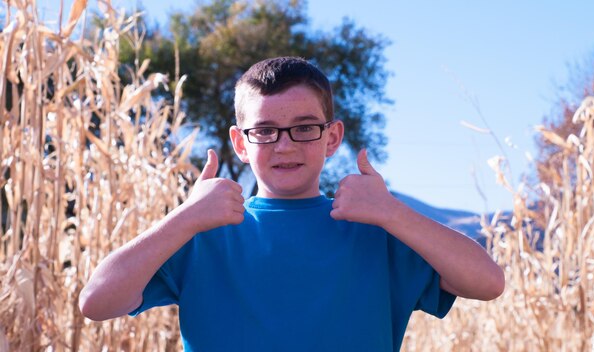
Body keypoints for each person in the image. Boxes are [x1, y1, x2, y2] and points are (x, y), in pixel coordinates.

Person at [79, 56, 504, 351]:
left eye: (304, 128)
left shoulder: (377, 232)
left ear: (332, 138)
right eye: (264, 130)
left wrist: (392, 211)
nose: (284, 146)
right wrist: (184, 217)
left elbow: (487, 283)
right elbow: (97, 302)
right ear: (239, 143)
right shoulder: (202, 234)